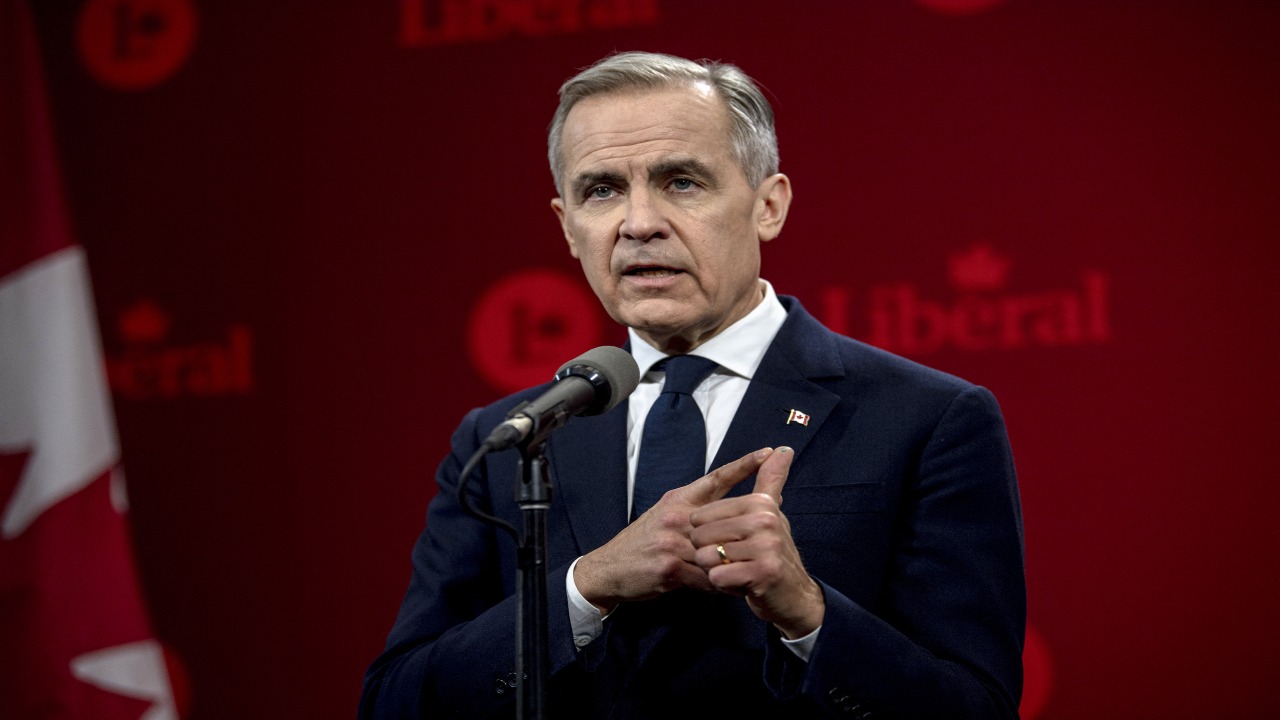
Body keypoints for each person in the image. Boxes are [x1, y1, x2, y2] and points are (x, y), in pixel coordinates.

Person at [360, 51, 1024, 719]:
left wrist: (807, 611)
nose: (638, 223)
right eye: (601, 190)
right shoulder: (508, 441)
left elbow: (977, 708)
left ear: (768, 206)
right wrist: (587, 586)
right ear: (567, 227)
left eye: (681, 182)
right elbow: (395, 702)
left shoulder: (927, 419)